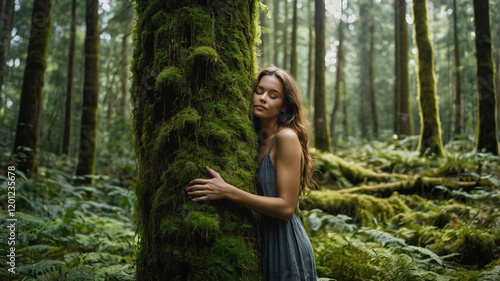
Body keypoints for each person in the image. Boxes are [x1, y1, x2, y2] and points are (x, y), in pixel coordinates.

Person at [187, 66, 318, 281]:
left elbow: (286, 208)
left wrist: (227, 191)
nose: (263, 98)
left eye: (273, 95)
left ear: (284, 105)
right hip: (262, 243)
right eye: (259, 91)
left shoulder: (286, 138)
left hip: (285, 245)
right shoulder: (255, 139)